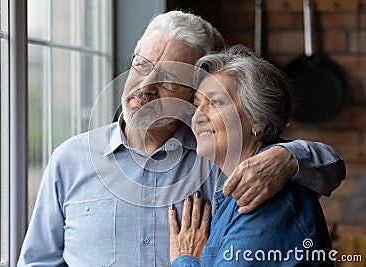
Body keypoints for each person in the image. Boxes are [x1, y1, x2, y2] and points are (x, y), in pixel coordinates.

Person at [18, 11, 344, 266]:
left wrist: (289, 157)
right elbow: (37, 262)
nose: (145, 85)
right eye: (141, 64)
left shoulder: (220, 155)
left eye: (170, 79)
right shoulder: (69, 160)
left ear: (193, 94)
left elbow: (330, 168)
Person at [169, 45, 333, 266]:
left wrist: (184, 258)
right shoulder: (235, 190)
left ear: (258, 120)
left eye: (215, 103)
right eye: (198, 105)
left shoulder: (264, 196)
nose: (197, 117)